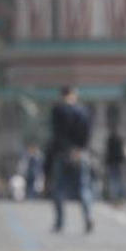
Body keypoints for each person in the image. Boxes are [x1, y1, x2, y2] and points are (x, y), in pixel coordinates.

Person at [47, 87, 94, 233]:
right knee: (83, 187)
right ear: (75, 95)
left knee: (60, 188)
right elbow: (87, 132)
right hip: (81, 154)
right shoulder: (83, 111)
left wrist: (68, 149)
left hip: (63, 153)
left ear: (62, 95)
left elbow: (57, 134)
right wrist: (80, 150)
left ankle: (60, 222)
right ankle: (88, 217)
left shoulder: (58, 111)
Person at [103, 126, 126, 203]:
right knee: (122, 181)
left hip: (112, 163)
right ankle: (123, 198)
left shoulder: (109, 140)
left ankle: (115, 198)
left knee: (114, 181)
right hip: (120, 163)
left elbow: (107, 152)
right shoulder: (122, 140)